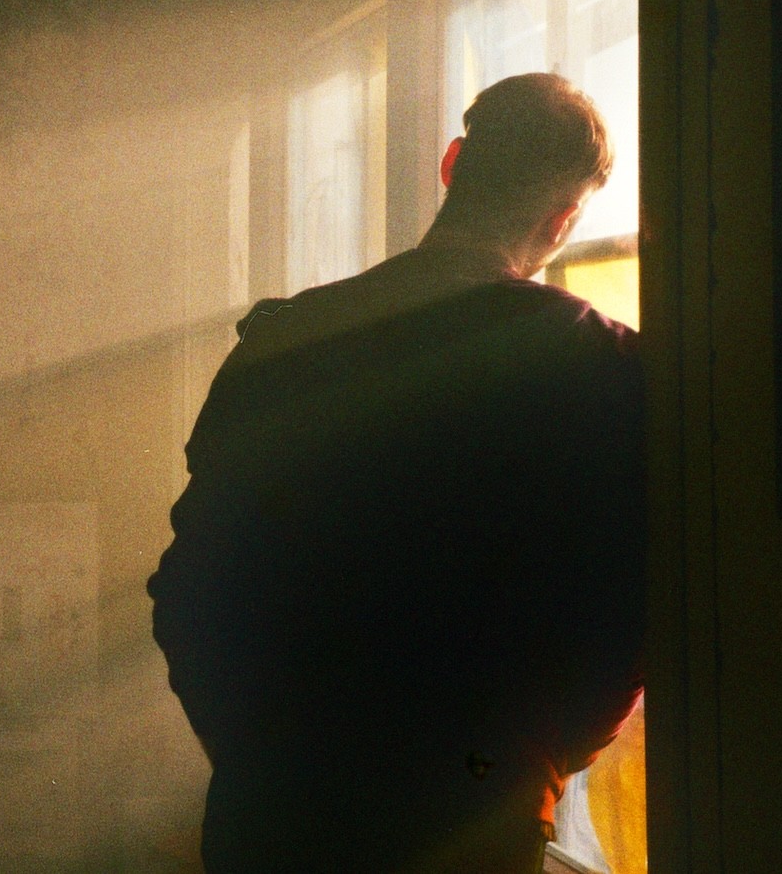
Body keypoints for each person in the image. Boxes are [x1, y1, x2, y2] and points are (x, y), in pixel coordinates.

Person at [148, 73, 646, 873]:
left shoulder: (284, 343)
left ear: (452, 163)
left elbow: (189, 586)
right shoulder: (609, 370)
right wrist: (537, 764)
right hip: (474, 812)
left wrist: (251, 747)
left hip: (273, 803)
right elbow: (632, 608)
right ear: (562, 220)